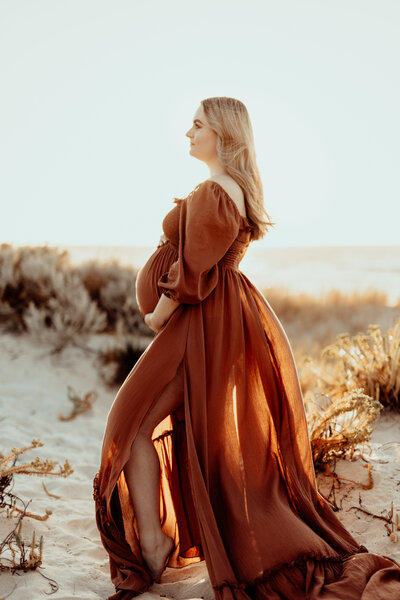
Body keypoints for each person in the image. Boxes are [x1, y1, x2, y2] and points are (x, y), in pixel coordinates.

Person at [93, 97, 400, 600]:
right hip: (211, 321)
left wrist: (155, 316)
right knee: (150, 426)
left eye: (197, 125)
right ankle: (157, 541)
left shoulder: (218, 191)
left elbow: (193, 275)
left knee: (130, 422)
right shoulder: (222, 187)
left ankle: (153, 546)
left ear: (223, 133)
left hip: (205, 322)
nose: (187, 132)